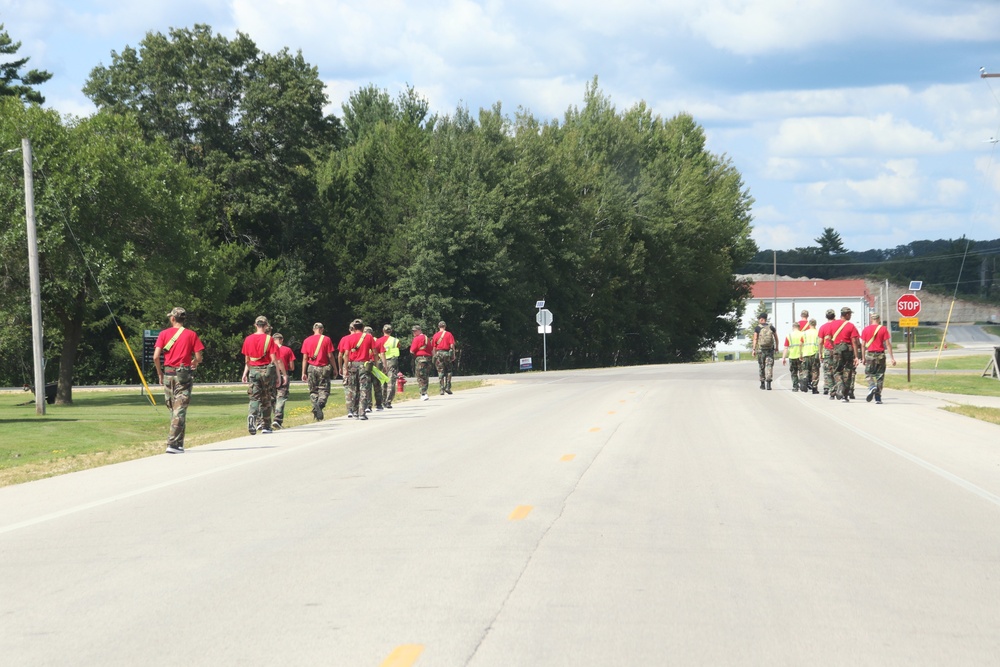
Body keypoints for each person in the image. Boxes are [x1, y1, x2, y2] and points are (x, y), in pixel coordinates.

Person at [152, 307, 205, 454]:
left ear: (173, 318)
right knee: (180, 409)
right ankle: (173, 443)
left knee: (174, 409)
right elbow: (199, 357)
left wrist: (159, 373)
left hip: (168, 374)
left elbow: (156, 357)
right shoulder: (191, 334)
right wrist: (194, 362)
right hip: (184, 374)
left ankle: (178, 443)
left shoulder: (164, 334)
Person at [241, 316, 287, 434]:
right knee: (266, 398)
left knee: (254, 397)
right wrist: (278, 375)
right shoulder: (269, 339)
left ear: (255, 325)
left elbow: (247, 359)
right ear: (266, 325)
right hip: (266, 370)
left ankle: (252, 415)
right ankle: (266, 425)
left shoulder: (248, 339)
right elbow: (273, 359)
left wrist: (246, 372)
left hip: (253, 370)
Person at [300, 322, 337, 421]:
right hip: (323, 368)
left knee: (313, 390)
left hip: (311, 368)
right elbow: (330, 356)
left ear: (313, 329)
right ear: (322, 329)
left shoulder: (307, 340)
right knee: (324, 389)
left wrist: (303, 372)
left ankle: (316, 410)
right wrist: (335, 368)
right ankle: (320, 404)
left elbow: (304, 358)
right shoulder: (326, 339)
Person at [342, 319, 375, 420]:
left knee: (354, 389)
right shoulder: (369, 337)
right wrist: (376, 365)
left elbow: (346, 354)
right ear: (363, 327)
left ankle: (355, 411)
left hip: (352, 365)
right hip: (364, 365)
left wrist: (346, 368)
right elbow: (375, 352)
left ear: (354, 328)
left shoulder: (348, 338)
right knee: (364, 388)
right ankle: (362, 412)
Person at [861, 312, 897, 404]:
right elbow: (888, 344)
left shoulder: (866, 329)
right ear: (879, 319)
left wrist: (863, 357)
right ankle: (878, 398)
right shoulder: (883, 329)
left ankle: (872, 386)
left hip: (870, 355)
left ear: (871, 319)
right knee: (880, 376)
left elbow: (863, 345)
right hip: (881, 355)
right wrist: (892, 358)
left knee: (868, 374)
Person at [829, 306, 862, 403]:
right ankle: (845, 395)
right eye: (850, 314)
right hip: (848, 350)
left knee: (836, 371)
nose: (850, 316)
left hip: (837, 350)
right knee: (848, 372)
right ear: (846, 314)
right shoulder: (851, 326)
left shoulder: (833, 324)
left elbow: (828, 338)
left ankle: (840, 385)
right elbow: (854, 342)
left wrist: (833, 347)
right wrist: (856, 356)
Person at [271, 333, 296, 429]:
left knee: (272, 397)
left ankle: (269, 418)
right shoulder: (287, 350)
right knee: (281, 398)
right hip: (282, 375)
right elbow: (292, 367)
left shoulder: (269, 349)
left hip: (271, 375)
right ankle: (277, 419)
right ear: (281, 339)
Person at [375, 324, 401, 408]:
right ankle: (388, 401)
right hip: (392, 361)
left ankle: (381, 400)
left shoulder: (378, 341)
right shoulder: (395, 340)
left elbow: (375, 351)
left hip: (380, 361)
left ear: (383, 331)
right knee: (391, 382)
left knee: (382, 381)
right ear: (391, 331)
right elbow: (398, 347)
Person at [751, 313, 777, 390]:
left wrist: (753, 349)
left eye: (759, 319)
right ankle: (769, 383)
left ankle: (762, 383)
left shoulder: (757, 328)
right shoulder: (771, 327)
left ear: (762, 319)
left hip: (761, 350)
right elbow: (776, 338)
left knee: (761, 366)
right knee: (769, 366)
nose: (759, 320)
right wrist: (777, 347)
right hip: (770, 350)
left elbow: (755, 339)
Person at [409, 324, 433, 401]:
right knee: (425, 376)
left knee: (420, 377)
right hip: (428, 358)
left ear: (419, 330)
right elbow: (431, 349)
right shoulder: (427, 338)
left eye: (415, 331)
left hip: (420, 359)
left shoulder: (416, 338)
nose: (414, 332)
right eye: (413, 331)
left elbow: (412, 350)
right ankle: (425, 392)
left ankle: (423, 393)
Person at [432, 320, 456, 395]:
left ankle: (441, 389)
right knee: (449, 370)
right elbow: (452, 346)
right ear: (445, 326)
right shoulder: (449, 334)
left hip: (438, 354)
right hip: (446, 353)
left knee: (440, 371)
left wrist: (434, 356)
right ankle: (448, 387)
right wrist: (453, 355)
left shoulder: (435, 335)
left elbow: (434, 347)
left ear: (438, 327)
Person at [817, 309, 838, 395]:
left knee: (828, 370)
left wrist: (820, 353)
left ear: (826, 317)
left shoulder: (823, 327)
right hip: (837, 350)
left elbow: (820, 341)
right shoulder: (838, 325)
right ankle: (838, 386)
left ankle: (830, 387)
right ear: (834, 316)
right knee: (837, 369)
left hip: (828, 350)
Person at [363, 325, 383, 412]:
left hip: (366, 365)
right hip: (375, 365)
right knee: (377, 386)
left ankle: (368, 405)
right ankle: (378, 405)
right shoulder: (378, 341)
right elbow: (382, 354)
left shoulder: (362, 341)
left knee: (367, 386)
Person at [780, 322, 805, 391]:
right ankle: (802, 383)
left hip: (792, 356)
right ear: (799, 327)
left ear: (793, 327)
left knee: (793, 372)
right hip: (801, 355)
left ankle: (795, 386)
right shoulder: (803, 334)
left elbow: (786, 348)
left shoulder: (789, 335)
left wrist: (784, 358)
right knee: (801, 371)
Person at [801, 318, 820, 394]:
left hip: (806, 353)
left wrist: (800, 354)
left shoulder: (804, 333)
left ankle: (805, 378)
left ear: (809, 325)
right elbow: (820, 343)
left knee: (806, 369)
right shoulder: (818, 332)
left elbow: (801, 343)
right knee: (815, 371)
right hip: (815, 354)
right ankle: (814, 388)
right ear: (815, 324)